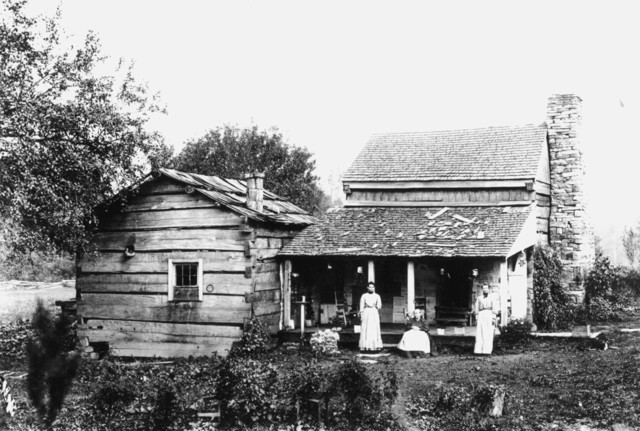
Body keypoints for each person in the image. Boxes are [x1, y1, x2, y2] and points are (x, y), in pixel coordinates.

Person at [359, 281, 383, 351]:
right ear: (367, 288)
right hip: (366, 312)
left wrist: (375, 307)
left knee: (374, 328)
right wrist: (362, 314)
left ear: (374, 288)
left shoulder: (377, 296)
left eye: (372, 287)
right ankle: (364, 346)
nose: (371, 288)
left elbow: (379, 305)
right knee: (366, 328)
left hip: (374, 312)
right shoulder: (364, 295)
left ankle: (375, 346)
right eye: (370, 287)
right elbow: (361, 306)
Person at [474, 284, 497, 355]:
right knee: (480, 332)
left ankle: (487, 350)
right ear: (482, 289)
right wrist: (477, 318)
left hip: (489, 314)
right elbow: (476, 308)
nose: (485, 290)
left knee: (488, 332)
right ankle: (478, 350)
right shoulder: (479, 298)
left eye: (486, 288)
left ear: (489, 289)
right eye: (483, 288)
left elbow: (494, 308)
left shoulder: (492, 298)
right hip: (481, 314)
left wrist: (493, 318)